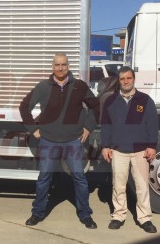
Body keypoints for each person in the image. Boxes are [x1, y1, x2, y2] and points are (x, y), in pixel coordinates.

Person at [19, 53, 100, 229]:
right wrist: (34, 130)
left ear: (68, 66)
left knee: (79, 178)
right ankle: (37, 213)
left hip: (73, 140)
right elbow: (24, 106)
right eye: (57, 65)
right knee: (44, 179)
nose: (60, 68)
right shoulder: (42, 87)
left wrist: (88, 127)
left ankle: (85, 214)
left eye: (63, 64)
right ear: (52, 66)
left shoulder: (79, 86)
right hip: (49, 140)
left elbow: (95, 105)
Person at [101, 66, 159, 233]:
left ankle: (145, 218)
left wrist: (152, 146)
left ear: (134, 79)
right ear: (118, 81)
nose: (125, 81)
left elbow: (152, 125)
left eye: (128, 78)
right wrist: (106, 146)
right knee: (118, 185)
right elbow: (106, 125)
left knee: (142, 185)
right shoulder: (111, 101)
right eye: (122, 79)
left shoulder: (145, 100)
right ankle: (118, 216)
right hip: (118, 150)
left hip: (141, 150)